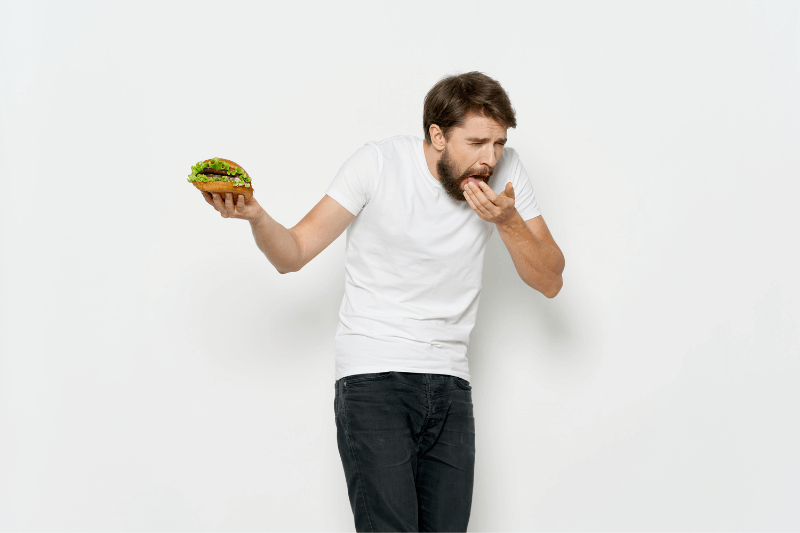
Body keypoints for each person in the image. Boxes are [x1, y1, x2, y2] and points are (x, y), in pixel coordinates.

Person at [201, 71, 565, 532]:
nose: (489, 159)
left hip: (451, 382)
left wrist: (508, 222)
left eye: (498, 143)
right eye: (476, 143)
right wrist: (256, 216)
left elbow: (550, 279)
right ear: (437, 135)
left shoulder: (507, 171)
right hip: (374, 379)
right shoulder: (377, 164)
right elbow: (292, 254)